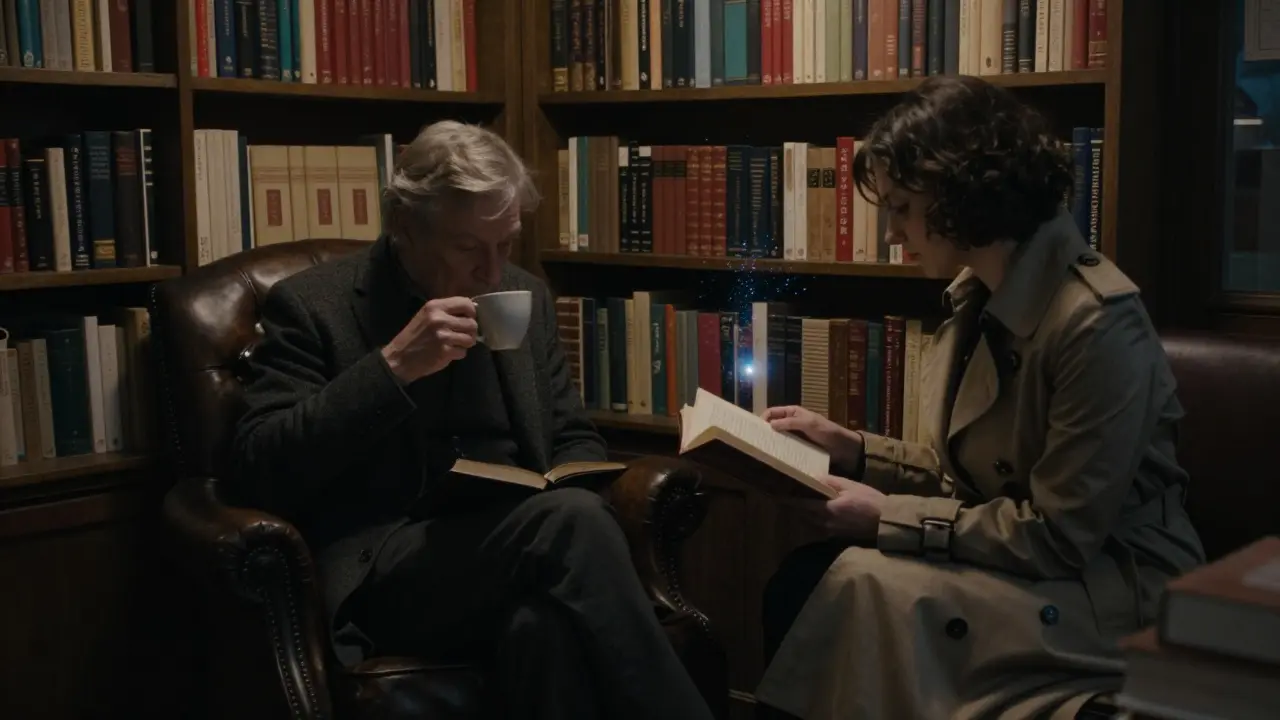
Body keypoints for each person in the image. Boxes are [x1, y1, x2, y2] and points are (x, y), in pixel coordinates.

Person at [752, 76, 1206, 720]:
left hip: (1110, 586)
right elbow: (969, 474)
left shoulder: (1098, 323)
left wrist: (889, 517)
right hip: (1028, 561)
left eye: (902, 208)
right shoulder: (978, 297)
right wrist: (852, 449)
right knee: (811, 576)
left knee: (836, 582)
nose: (891, 233)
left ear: (964, 197)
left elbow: (1060, 535)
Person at [230, 120, 713, 720]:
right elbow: (260, 464)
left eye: (505, 244)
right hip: (388, 566)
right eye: (468, 249)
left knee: (541, 626)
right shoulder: (313, 305)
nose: (492, 272)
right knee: (570, 522)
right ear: (405, 227)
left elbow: (571, 434)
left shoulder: (523, 296)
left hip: (521, 547)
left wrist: (565, 478)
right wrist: (392, 369)